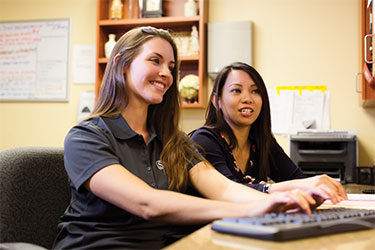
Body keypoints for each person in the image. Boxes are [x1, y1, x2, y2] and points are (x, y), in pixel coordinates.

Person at [53, 28, 329, 250]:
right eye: (155, 60)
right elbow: (147, 204)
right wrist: (256, 208)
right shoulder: (86, 137)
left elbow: (222, 189)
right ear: (121, 65)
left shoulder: (174, 142)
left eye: (171, 66)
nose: (166, 73)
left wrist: (286, 200)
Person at [190, 62, 347, 202]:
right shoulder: (204, 140)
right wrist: (272, 189)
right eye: (236, 90)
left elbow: (297, 179)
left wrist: (318, 188)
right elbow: (231, 193)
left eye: (255, 91)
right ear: (216, 101)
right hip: (206, 230)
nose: (248, 99)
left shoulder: (261, 141)